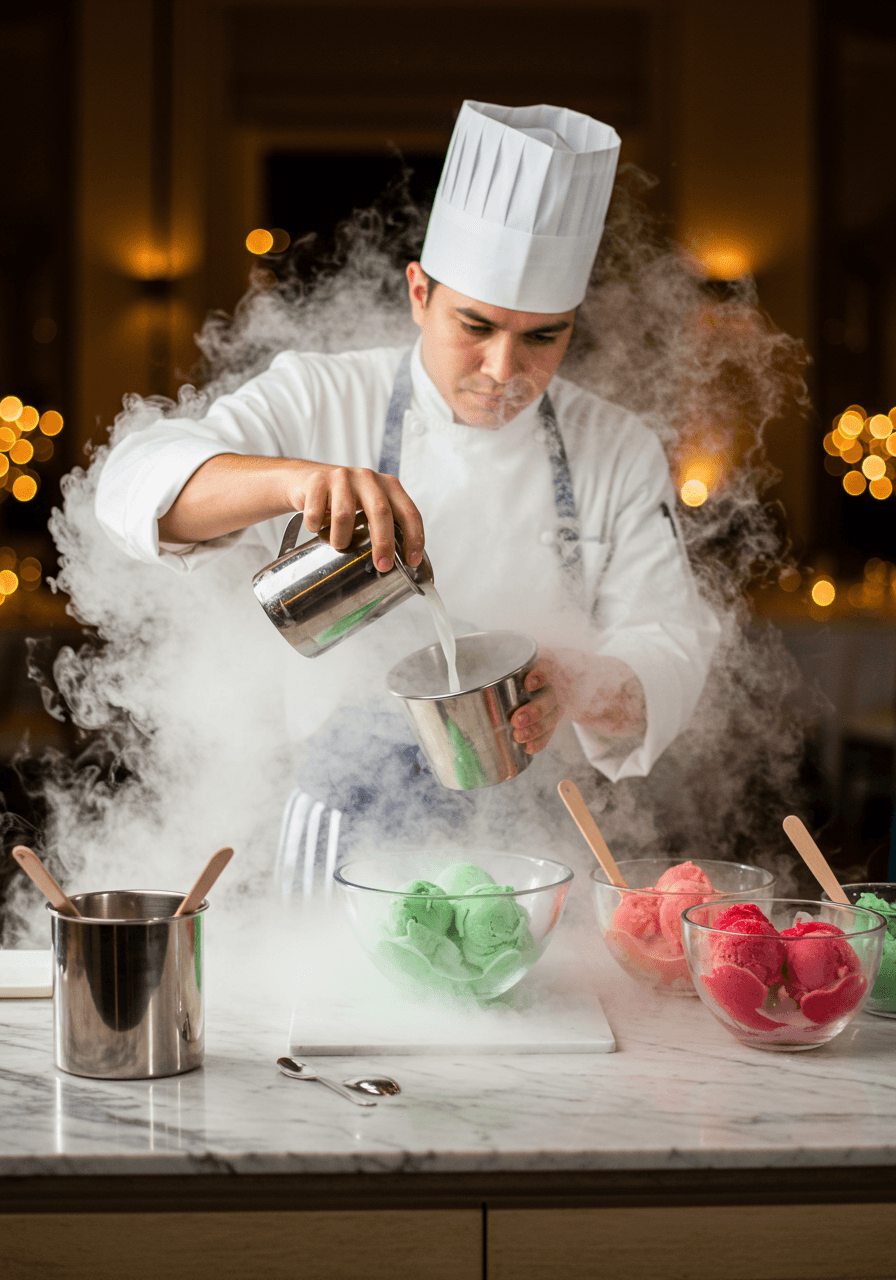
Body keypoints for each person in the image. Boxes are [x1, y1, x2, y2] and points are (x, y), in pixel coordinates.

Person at [95, 101, 719, 880]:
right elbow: (134, 482)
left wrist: (580, 680)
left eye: (542, 337)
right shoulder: (321, 396)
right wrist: (296, 481)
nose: (503, 371)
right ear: (419, 293)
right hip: (339, 824)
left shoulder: (616, 448)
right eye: (476, 326)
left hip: (538, 838)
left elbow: (672, 646)